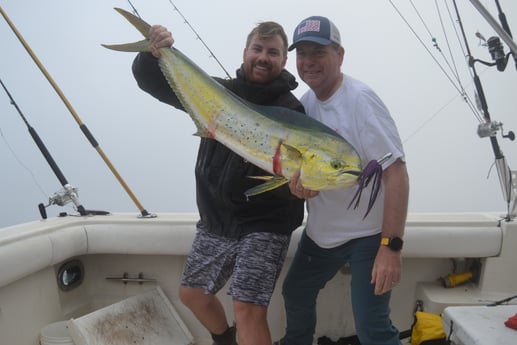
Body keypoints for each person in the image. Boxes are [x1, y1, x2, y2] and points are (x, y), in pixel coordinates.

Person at [131, 21, 305, 345]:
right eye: (258, 49)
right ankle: (225, 340)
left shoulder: (292, 112)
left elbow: (300, 171)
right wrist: (152, 53)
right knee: (192, 294)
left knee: (247, 307)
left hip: (265, 223)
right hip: (216, 218)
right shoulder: (215, 94)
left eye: (273, 52)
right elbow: (152, 82)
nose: (263, 57)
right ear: (245, 52)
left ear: (283, 61)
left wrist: (300, 187)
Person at [277, 16, 410, 345]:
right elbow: (307, 175)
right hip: (321, 236)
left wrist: (390, 248)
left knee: (372, 328)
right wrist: (299, 188)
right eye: (302, 53)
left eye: (318, 52)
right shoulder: (305, 106)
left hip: (367, 237)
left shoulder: (361, 101)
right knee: (295, 294)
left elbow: (396, 173)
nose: (309, 62)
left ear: (340, 55)